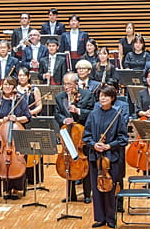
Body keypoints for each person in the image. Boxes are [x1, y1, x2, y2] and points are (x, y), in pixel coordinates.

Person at [83, 85, 128, 228]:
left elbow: (123, 138)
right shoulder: (93, 114)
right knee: (96, 189)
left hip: (111, 157)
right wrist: (93, 144)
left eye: (106, 96)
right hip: (95, 156)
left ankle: (111, 219)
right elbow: (86, 135)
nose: (102, 98)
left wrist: (109, 145)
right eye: (101, 96)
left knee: (110, 188)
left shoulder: (117, 115)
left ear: (112, 98)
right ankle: (100, 218)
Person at [54, 72, 95, 204]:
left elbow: (92, 113)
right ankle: (71, 194)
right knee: (68, 162)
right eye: (65, 84)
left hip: (82, 135)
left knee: (85, 165)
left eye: (69, 84)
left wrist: (78, 111)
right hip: (67, 133)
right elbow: (57, 114)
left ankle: (87, 194)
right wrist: (64, 119)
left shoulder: (87, 95)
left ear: (76, 83)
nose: (66, 87)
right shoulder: (59, 97)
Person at [0, 76, 31, 199]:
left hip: (17, 136)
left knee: (18, 160)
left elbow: (27, 117)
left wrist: (17, 119)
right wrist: (2, 120)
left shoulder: (20, 100)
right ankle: (6, 188)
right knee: (3, 160)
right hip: (4, 138)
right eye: (5, 84)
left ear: (14, 87)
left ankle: (17, 188)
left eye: (10, 84)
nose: (7, 87)